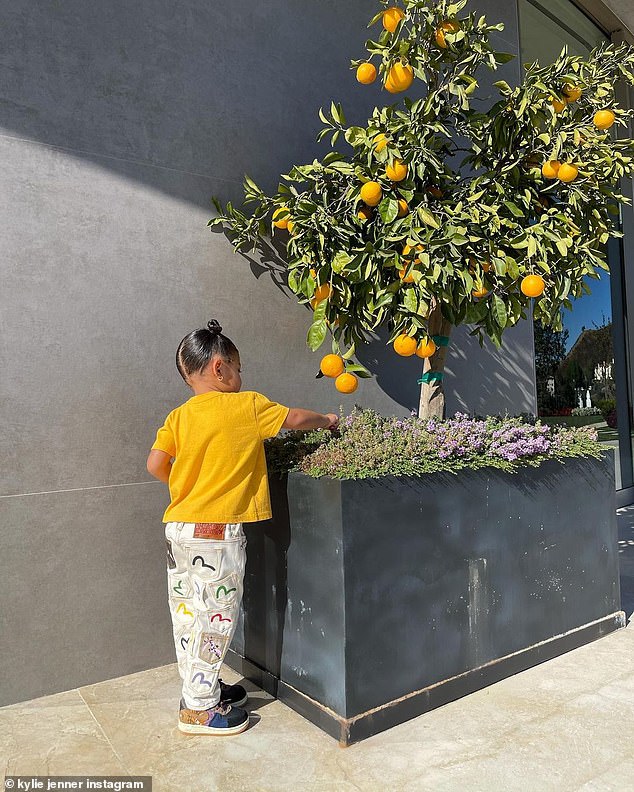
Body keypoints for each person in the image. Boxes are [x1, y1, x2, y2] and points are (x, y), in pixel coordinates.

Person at [146, 319, 339, 735]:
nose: (240, 375)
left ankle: (200, 687)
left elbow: (156, 465)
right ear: (220, 368)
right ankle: (199, 710)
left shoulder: (178, 417)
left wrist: (190, 487)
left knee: (188, 614)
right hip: (215, 534)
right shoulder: (245, 405)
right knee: (216, 617)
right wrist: (326, 419)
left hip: (179, 528)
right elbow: (294, 419)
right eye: (238, 366)